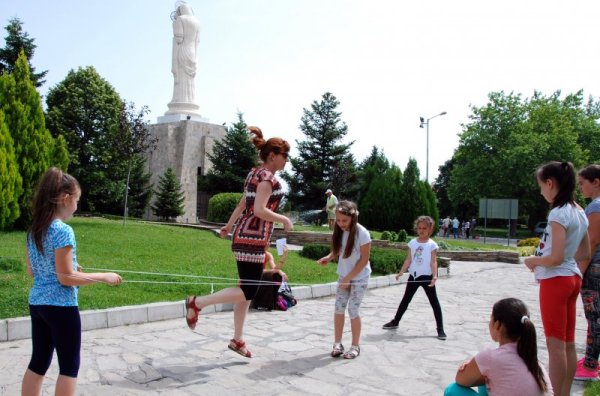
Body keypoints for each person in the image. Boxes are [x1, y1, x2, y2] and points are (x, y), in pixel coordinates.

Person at [185, 126, 293, 358]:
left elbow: (242, 205)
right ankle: (197, 303)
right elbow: (259, 210)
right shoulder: (267, 179)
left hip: (246, 236)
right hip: (251, 240)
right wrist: (283, 219)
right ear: (273, 155)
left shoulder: (253, 174)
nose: (287, 160)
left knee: (245, 290)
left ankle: (238, 339)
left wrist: (228, 225)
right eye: (285, 155)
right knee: (248, 291)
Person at [21, 167, 122, 396]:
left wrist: (70, 268)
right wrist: (104, 277)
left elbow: (32, 271)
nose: (77, 206)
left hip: (38, 304)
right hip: (61, 308)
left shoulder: (34, 230)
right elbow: (65, 278)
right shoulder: (63, 231)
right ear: (66, 199)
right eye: (77, 200)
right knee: (69, 366)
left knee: (38, 362)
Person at [524, 161, 590, 396]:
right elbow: (584, 252)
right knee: (568, 343)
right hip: (572, 278)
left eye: (541, 185)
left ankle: (552, 393)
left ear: (550, 183)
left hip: (556, 280)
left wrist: (534, 260)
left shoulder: (558, 213)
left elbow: (556, 257)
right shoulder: (579, 211)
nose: (541, 191)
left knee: (555, 346)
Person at [444, 298, 552, 396]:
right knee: (487, 378)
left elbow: (461, 380)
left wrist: (469, 366)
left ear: (498, 325)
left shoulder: (491, 358)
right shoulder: (532, 360)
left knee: (452, 390)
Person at [317, 200, 371, 359]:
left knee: (353, 309)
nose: (341, 223)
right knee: (338, 309)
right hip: (344, 276)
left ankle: (355, 346)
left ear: (353, 218)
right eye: (338, 220)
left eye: (344, 221)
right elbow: (339, 249)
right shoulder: (340, 230)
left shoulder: (363, 233)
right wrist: (329, 257)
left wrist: (348, 278)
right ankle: (337, 343)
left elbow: (363, 261)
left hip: (359, 277)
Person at [382, 215, 446, 340]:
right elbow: (408, 259)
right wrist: (401, 272)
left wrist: (435, 276)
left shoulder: (432, 245)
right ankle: (395, 322)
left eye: (424, 228)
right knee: (405, 300)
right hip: (414, 277)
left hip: (426, 278)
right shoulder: (412, 243)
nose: (421, 230)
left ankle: (440, 329)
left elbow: (433, 262)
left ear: (430, 230)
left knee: (434, 303)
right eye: (419, 228)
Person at [575, 164, 600, 380]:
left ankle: (590, 366)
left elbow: (592, 240)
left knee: (594, 317)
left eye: (582, 183)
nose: (580, 188)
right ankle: (591, 360)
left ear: (596, 182)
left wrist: (579, 270)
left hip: (594, 270)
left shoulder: (595, 207)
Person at [169, 3, 200, 104]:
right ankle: (190, 100)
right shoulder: (197, 22)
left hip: (182, 50)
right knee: (189, 80)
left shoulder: (180, 19)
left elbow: (179, 38)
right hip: (192, 53)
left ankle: (180, 101)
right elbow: (197, 42)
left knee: (181, 77)